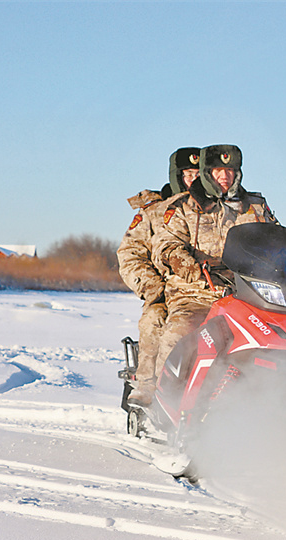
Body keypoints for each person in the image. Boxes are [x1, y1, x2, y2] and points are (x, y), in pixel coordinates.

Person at [152, 144, 276, 374]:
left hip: (249, 296)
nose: (225, 177)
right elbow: (166, 247)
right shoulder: (182, 206)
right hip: (196, 295)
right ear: (207, 173)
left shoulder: (255, 206)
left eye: (230, 171)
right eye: (218, 171)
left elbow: (276, 236)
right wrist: (191, 267)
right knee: (176, 335)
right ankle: (164, 401)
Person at [117, 147, 200, 405]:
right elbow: (130, 255)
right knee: (155, 318)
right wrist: (155, 288)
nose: (194, 180)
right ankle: (150, 386)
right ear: (177, 176)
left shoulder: (215, 209)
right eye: (188, 174)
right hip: (167, 291)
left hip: (210, 288)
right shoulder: (153, 212)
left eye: (200, 174)